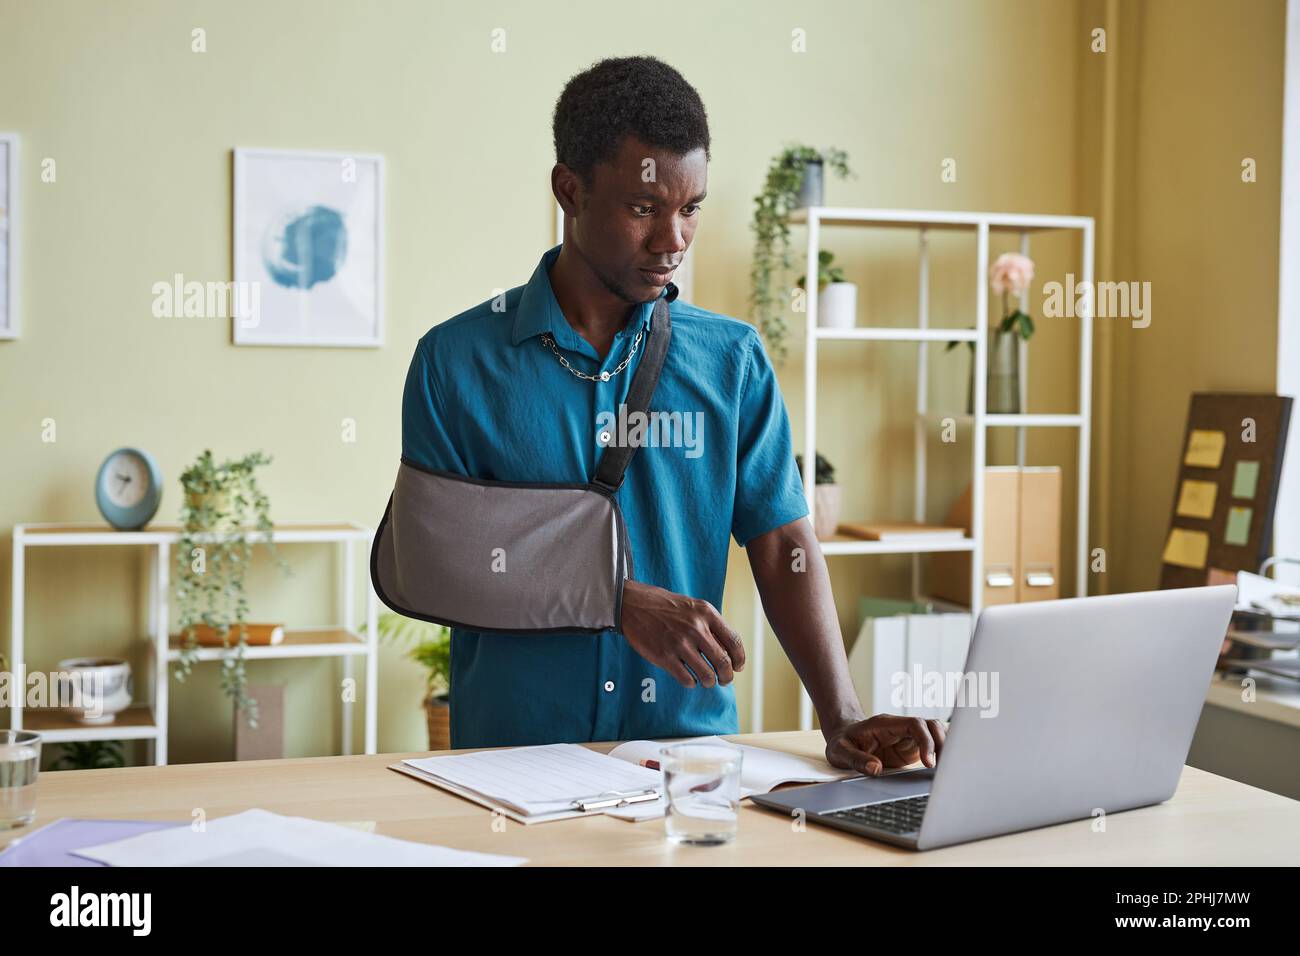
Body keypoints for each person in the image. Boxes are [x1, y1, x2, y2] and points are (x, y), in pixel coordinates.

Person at [402, 55, 943, 775]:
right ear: (569, 190)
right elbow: (435, 566)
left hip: (689, 771)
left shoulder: (734, 361)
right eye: (643, 208)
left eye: (690, 209)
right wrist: (615, 600)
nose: (674, 241)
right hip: (510, 766)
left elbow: (785, 543)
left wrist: (839, 713)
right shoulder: (455, 361)